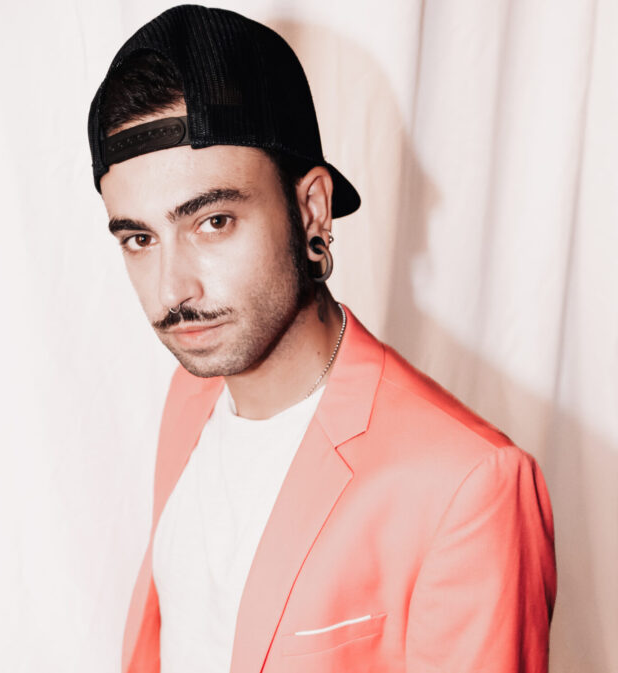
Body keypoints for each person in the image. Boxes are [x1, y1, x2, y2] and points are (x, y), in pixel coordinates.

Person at [86, 5, 557, 672]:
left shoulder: (468, 487)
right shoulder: (191, 397)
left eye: (214, 221)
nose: (173, 291)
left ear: (311, 209)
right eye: (140, 238)